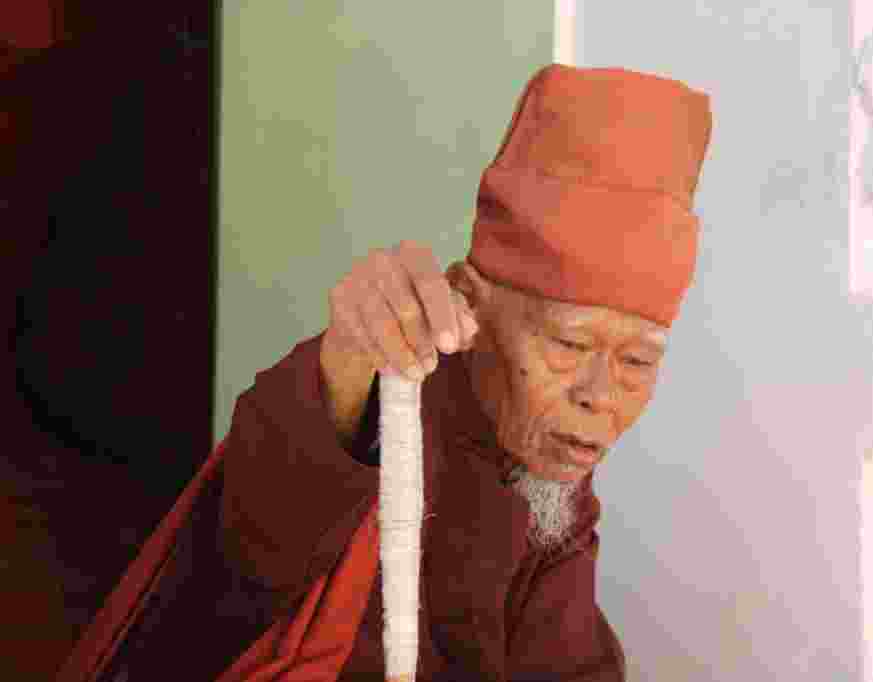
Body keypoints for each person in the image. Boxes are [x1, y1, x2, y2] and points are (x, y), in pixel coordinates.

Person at [59, 62, 712, 681]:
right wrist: (344, 364)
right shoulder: (377, 398)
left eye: (637, 361)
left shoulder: (549, 461)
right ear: (470, 303)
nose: (598, 397)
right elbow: (245, 562)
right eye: (569, 347)